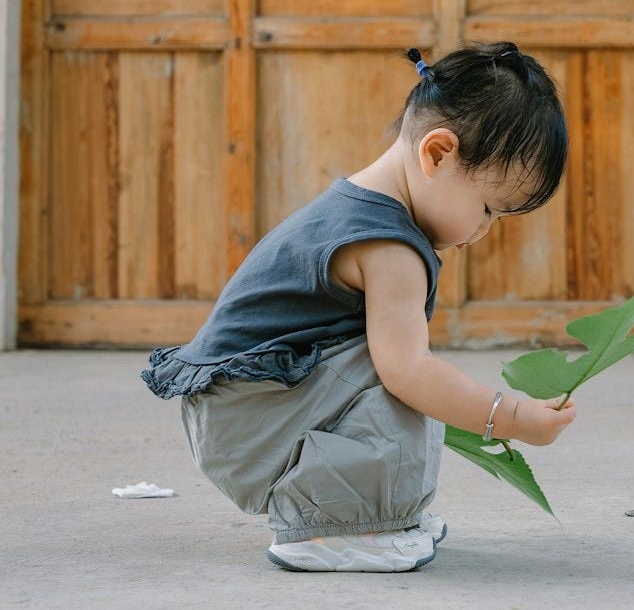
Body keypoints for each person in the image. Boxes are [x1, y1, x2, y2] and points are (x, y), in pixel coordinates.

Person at [142, 42, 576, 572]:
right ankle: (336, 529)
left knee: (403, 361)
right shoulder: (390, 249)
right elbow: (407, 374)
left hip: (240, 414)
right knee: (408, 375)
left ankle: (364, 515)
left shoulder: (358, 205)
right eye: (489, 209)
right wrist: (510, 418)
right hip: (251, 423)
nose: (484, 231)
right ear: (436, 153)